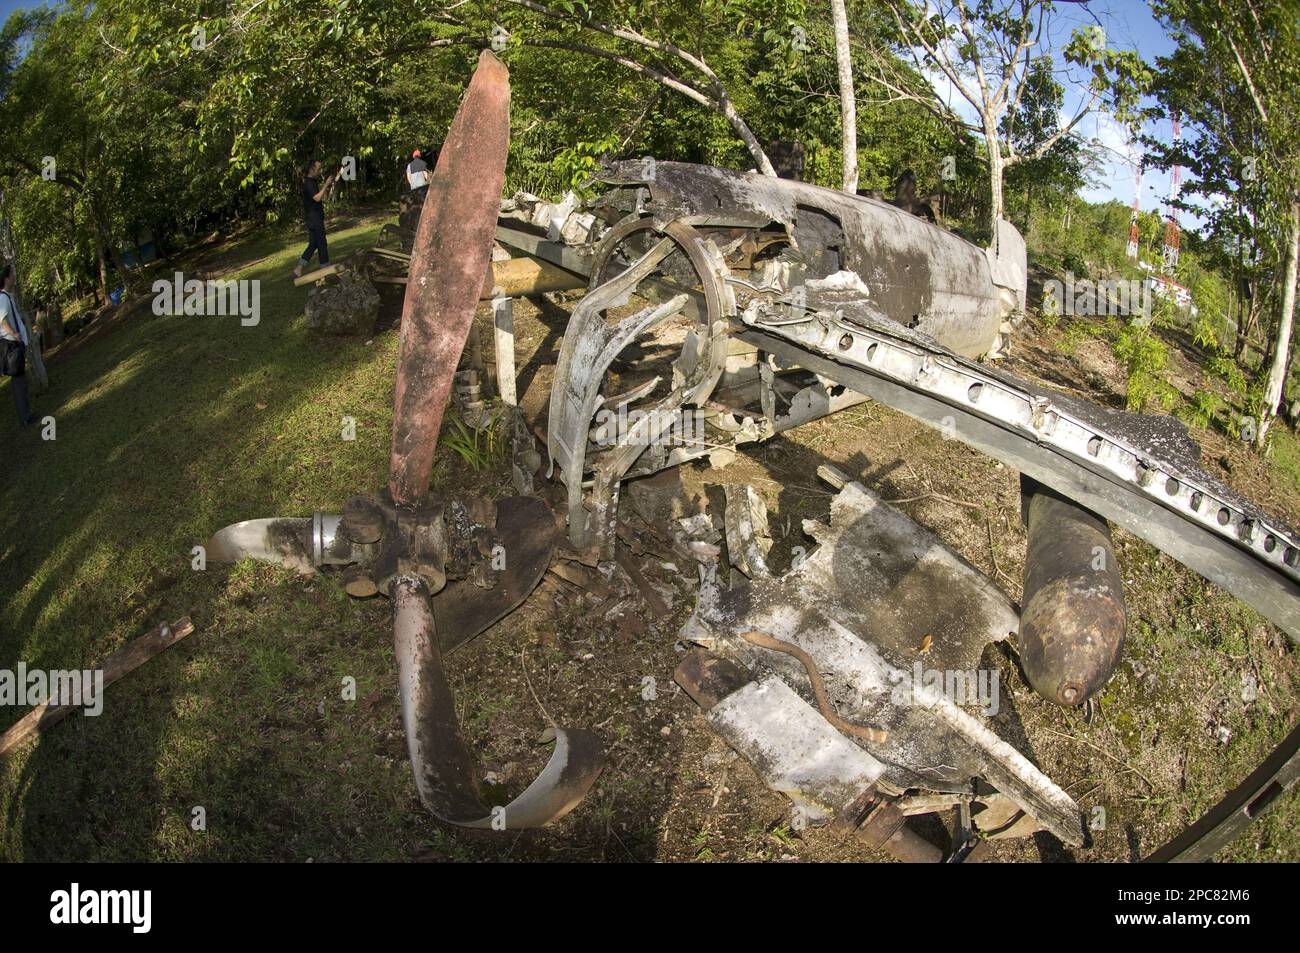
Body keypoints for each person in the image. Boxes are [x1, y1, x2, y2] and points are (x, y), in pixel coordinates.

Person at [0, 263, 37, 427]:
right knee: (19, 383)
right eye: (12, 274)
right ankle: (25, 418)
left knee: (21, 382)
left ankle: (26, 414)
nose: (14, 277)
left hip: (14, 344)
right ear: (6, 278)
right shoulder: (3, 297)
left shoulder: (7, 296)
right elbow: (2, 320)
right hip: (12, 346)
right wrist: (15, 335)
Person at [293, 159, 338, 279]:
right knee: (322, 243)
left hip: (313, 218)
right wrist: (326, 184)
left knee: (313, 244)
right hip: (314, 218)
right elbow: (317, 198)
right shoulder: (308, 183)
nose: (320, 171)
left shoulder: (312, 181)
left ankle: (298, 269)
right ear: (312, 169)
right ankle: (326, 270)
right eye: (318, 169)